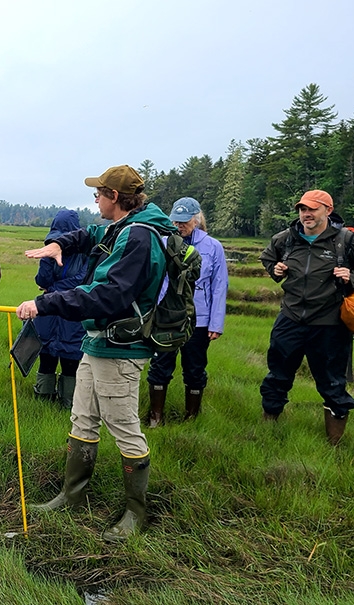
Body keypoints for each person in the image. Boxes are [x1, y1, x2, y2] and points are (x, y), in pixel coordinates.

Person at [15, 165, 176, 542]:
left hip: (121, 348)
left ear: (114, 197)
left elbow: (109, 295)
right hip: (97, 341)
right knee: (83, 419)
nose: (96, 201)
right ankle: (73, 496)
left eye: (99, 194)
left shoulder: (139, 236)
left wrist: (45, 303)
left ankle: (136, 513)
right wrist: (60, 244)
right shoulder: (122, 226)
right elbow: (89, 234)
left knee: (123, 427)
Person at [258, 189, 354, 445]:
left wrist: (352, 277)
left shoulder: (348, 241)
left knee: (333, 384)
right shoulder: (286, 239)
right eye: (302, 209)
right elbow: (267, 258)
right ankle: (268, 431)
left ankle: (334, 446)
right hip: (290, 318)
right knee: (277, 377)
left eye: (312, 209)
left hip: (330, 323)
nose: (306, 214)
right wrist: (275, 270)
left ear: (328, 211)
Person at [146, 197, 228, 426]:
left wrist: (216, 324)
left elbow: (219, 286)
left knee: (195, 368)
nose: (179, 226)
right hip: (166, 317)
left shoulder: (213, 246)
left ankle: (191, 418)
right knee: (160, 365)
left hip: (199, 320)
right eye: (176, 221)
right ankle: (155, 417)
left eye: (184, 221)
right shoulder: (162, 242)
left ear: (196, 220)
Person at [33, 209, 88, 408]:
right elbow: (42, 280)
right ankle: (42, 399)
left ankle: (69, 402)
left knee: (70, 360)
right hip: (48, 314)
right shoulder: (50, 249)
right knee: (46, 356)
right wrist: (47, 258)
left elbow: (81, 281)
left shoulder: (86, 254)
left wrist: (53, 289)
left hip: (72, 314)